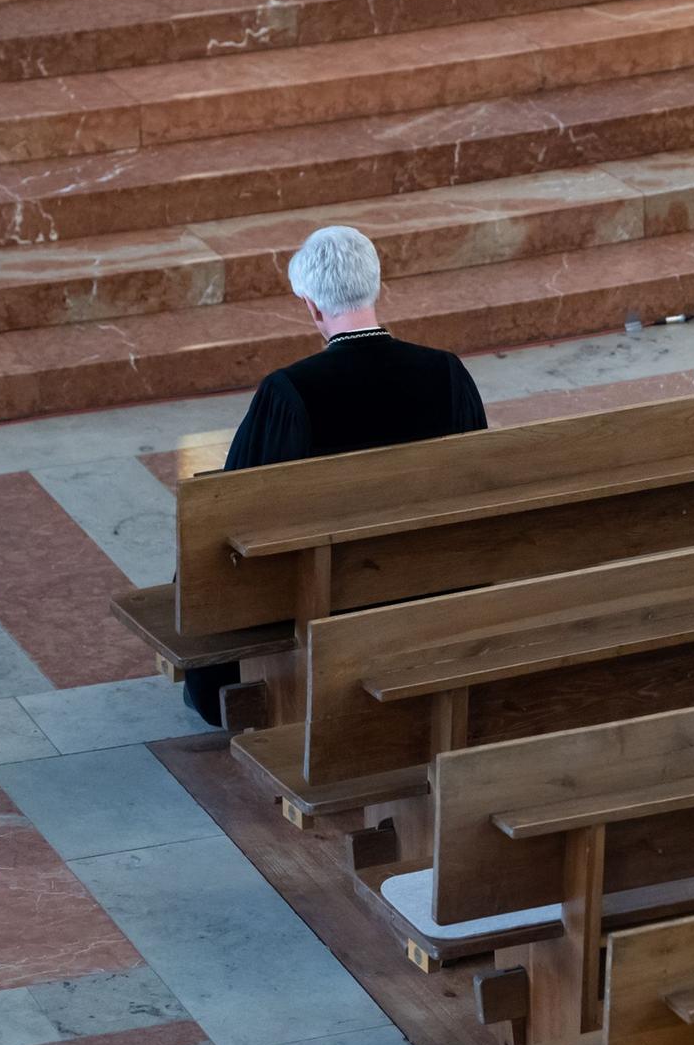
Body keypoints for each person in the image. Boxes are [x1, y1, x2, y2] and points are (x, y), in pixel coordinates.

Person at [184, 225, 488, 725]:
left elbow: (237, 503)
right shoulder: (446, 373)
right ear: (377, 286)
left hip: (329, 602)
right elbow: (476, 480)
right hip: (432, 585)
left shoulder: (289, 391)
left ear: (312, 307)